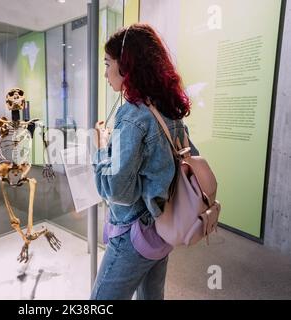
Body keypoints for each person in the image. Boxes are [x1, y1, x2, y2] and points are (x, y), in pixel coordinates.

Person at [91, 23, 199, 300]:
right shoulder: (167, 109)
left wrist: (102, 148)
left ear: (127, 67)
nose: (105, 73)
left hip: (133, 235)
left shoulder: (132, 117)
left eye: (108, 64)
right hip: (163, 227)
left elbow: (119, 192)